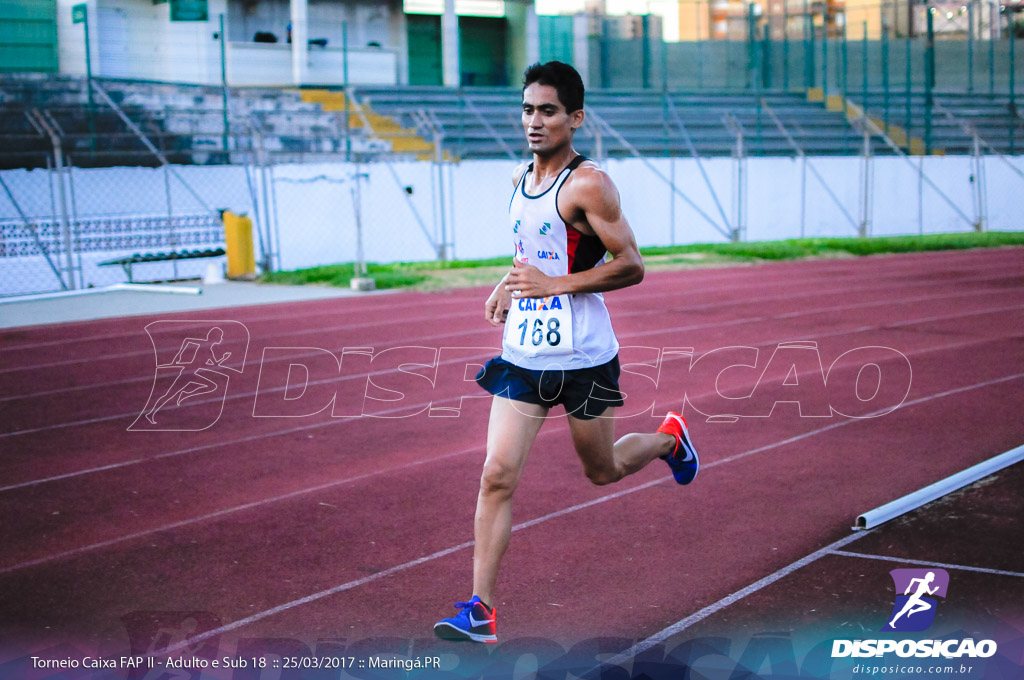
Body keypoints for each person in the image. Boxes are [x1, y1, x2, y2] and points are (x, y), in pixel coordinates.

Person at [433, 61, 701, 644]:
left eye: (548, 110)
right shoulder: (517, 179)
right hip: (525, 355)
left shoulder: (589, 185)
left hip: (586, 359)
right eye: (528, 109)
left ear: (575, 118)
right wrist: (509, 284)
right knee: (496, 476)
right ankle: (481, 609)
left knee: (600, 470)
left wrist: (556, 286)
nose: (534, 120)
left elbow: (631, 265)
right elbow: (531, 252)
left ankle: (669, 440)